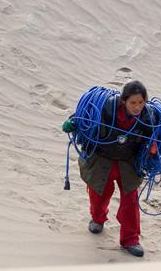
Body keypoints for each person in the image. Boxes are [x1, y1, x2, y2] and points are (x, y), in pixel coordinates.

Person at [62, 80, 156, 257]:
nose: (137, 107)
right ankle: (97, 219)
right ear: (123, 101)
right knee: (99, 194)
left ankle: (131, 239)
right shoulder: (104, 108)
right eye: (133, 103)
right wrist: (72, 123)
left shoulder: (149, 117)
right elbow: (82, 116)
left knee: (131, 200)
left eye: (141, 102)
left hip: (128, 163)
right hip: (101, 159)